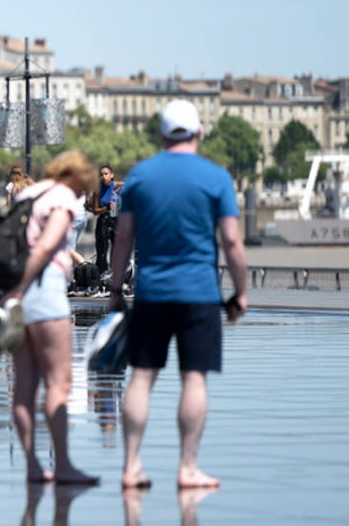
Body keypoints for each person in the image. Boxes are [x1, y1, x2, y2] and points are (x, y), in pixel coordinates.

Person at [108, 100, 248, 490]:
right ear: (198, 133)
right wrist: (240, 293)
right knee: (194, 379)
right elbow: (233, 242)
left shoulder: (139, 176)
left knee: (142, 376)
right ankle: (187, 468)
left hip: (151, 291)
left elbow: (123, 237)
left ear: (162, 135)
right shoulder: (216, 176)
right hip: (199, 294)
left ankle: (131, 466)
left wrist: (117, 289)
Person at [0, 151, 100, 485]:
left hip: (13, 290)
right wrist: (23, 289)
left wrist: (9, 293)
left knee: (23, 386)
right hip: (44, 290)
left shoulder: (26, 194)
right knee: (58, 382)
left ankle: (32, 466)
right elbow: (46, 247)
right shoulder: (63, 197)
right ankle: (64, 465)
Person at [89, 164, 123, 274]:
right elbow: (95, 211)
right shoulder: (97, 190)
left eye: (106, 174)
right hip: (103, 221)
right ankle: (102, 275)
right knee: (102, 251)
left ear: (112, 175)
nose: (104, 176)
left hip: (117, 221)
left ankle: (117, 275)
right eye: (101, 174)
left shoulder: (119, 186)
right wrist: (106, 208)